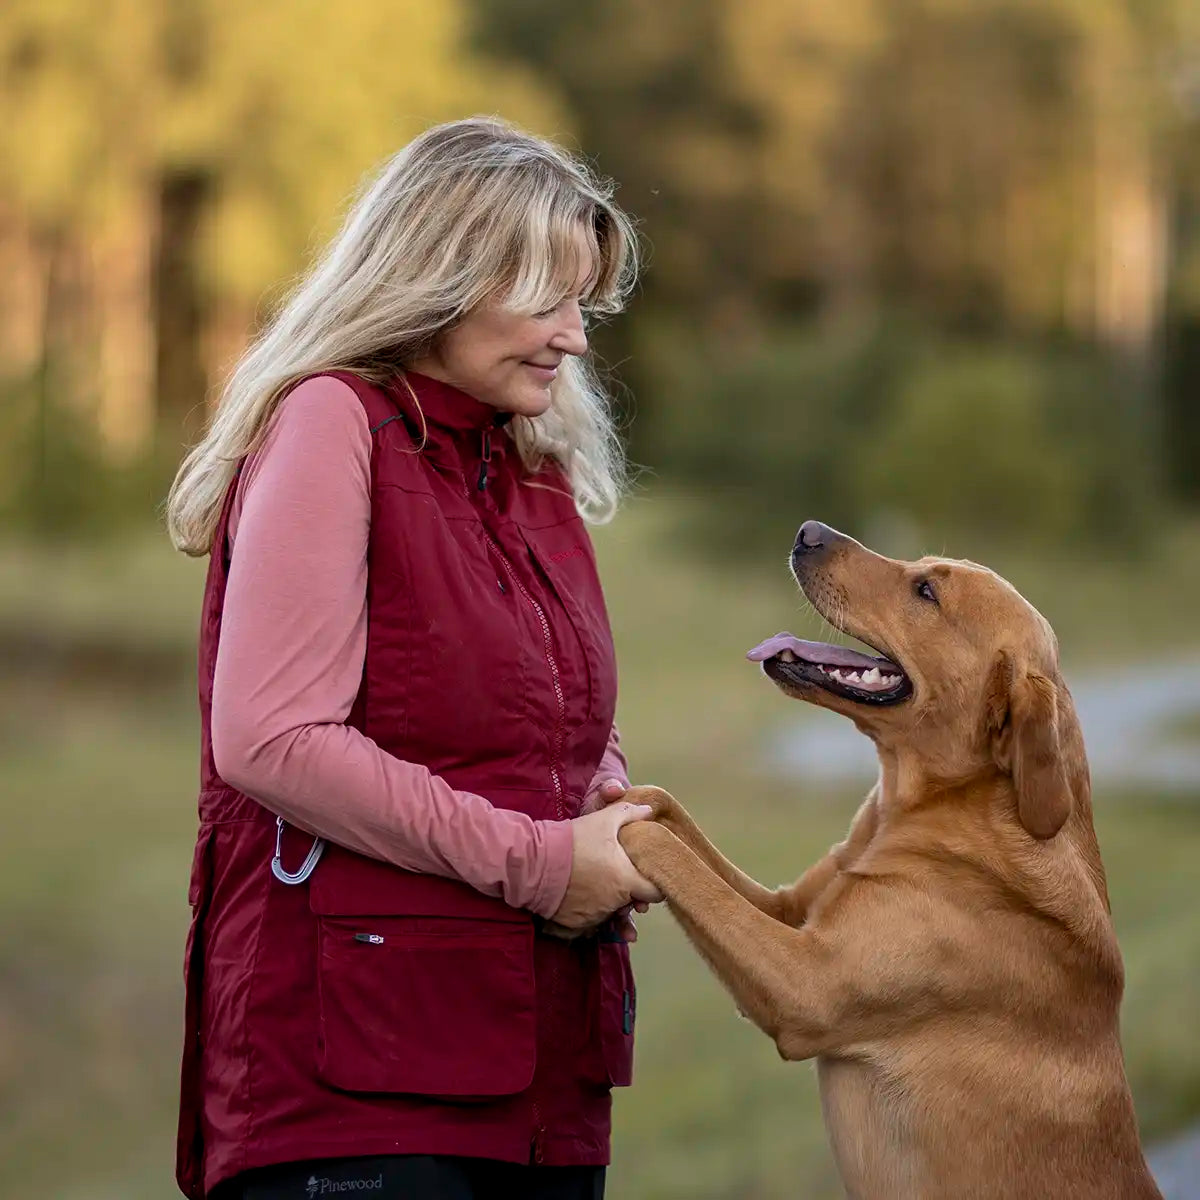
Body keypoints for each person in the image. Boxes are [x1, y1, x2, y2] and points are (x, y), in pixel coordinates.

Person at [165, 116, 662, 1200]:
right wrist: (544, 866)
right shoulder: (330, 423)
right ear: (439, 280)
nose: (575, 338)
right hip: (356, 1095)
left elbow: (566, 711)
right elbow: (273, 737)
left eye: (583, 303)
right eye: (545, 299)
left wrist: (606, 806)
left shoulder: (527, 457)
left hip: (542, 1087)